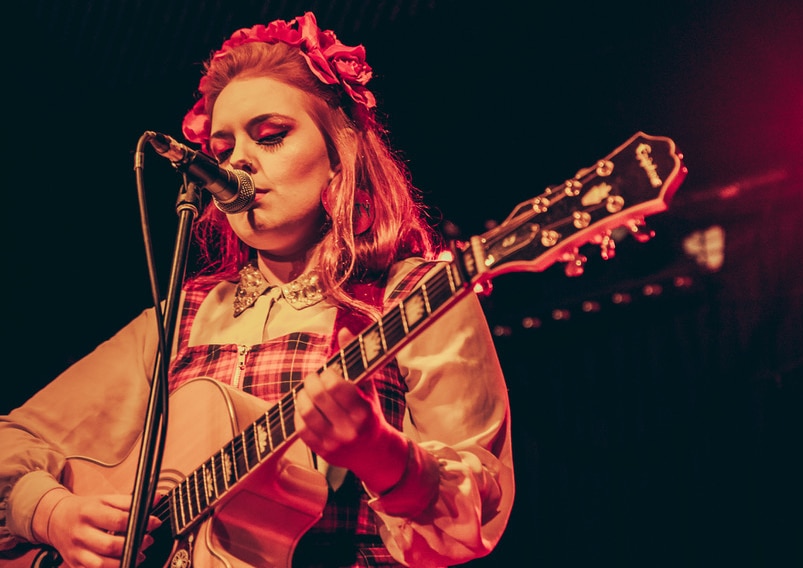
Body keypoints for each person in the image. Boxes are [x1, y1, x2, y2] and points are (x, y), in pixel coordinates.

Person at [0, 11, 514, 568]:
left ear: (340, 153)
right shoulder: (183, 317)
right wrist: (52, 514)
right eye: (222, 151)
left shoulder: (412, 296)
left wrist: (385, 457)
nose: (238, 159)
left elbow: (481, 504)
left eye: (270, 136)